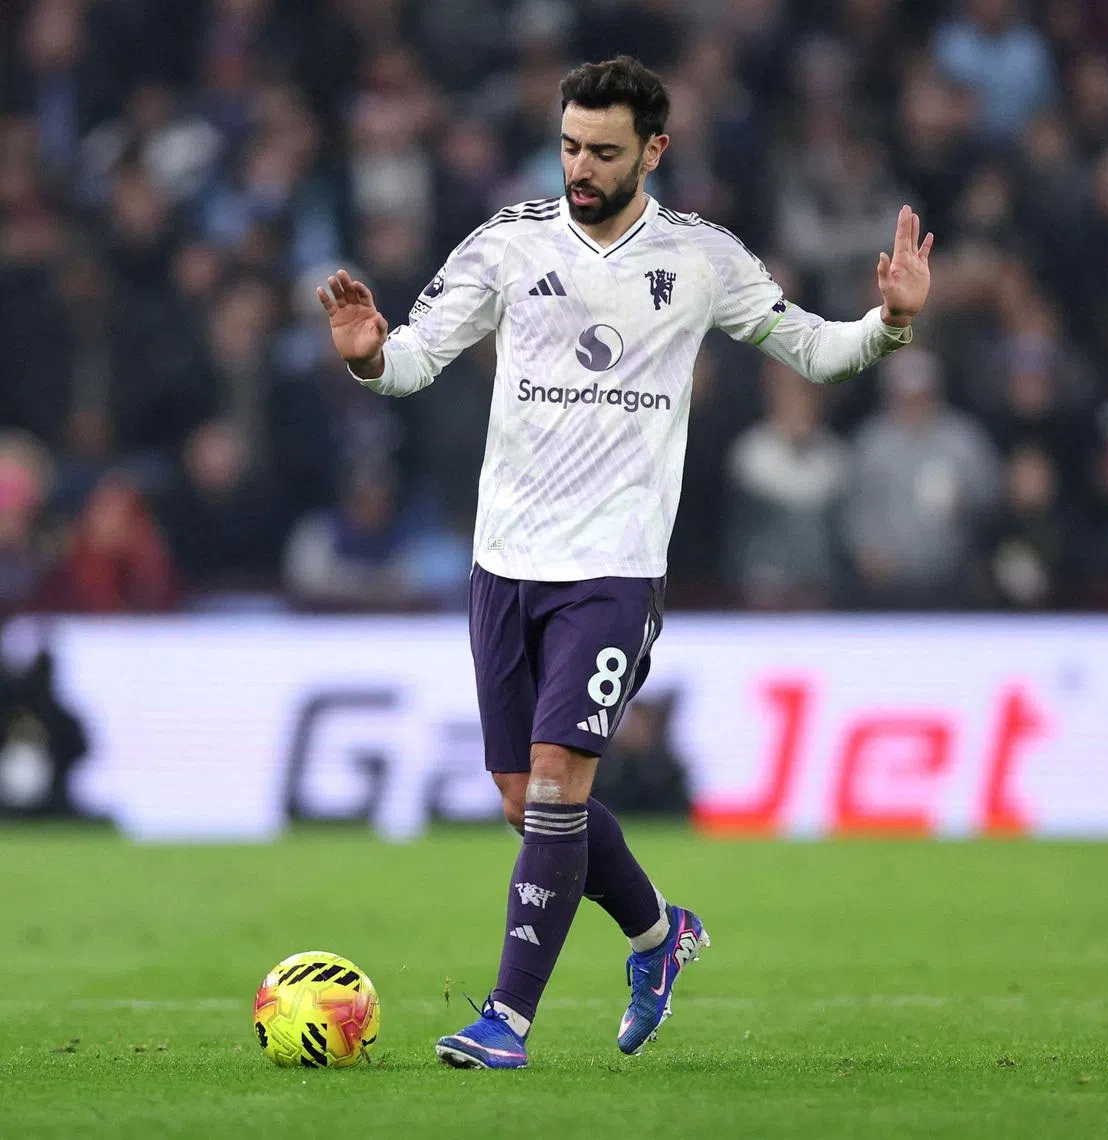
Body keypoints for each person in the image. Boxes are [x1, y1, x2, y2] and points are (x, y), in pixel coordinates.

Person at [317, 55, 933, 1069]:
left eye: (604, 151)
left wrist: (892, 321)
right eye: (569, 146)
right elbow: (414, 360)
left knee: (559, 784)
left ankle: (506, 1023)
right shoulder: (507, 247)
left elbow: (817, 352)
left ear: (654, 149)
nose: (581, 167)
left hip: (613, 565)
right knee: (526, 800)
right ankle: (660, 937)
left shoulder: (700, 260)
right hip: (503, 562)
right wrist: (366, 355)